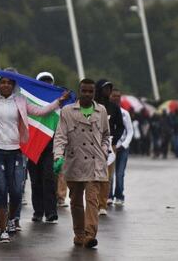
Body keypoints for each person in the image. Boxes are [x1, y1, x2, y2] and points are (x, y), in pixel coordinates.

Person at [0, 64, 69, 243]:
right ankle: (3, 230)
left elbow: (41, 111)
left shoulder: (21, 101)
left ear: (14, 85)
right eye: (3, 82)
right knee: (1, 190)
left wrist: (59, 101)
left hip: (16, 152)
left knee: (16, 191)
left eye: (9, 83)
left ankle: (11, 220)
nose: (6, 85)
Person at [54, 78, 110, 248]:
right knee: (76, 200)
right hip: (74, 161)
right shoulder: (67, 111)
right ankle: (79, 233)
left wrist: (105, 149)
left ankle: (89, 234)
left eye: (90, 91)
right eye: (84, 91)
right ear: (79, 92)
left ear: (94, 93)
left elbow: (106, 135)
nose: (87, 94)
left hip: (95, 163)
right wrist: (58, 156)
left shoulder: (101, 111)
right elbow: (60, 136)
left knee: (92, 199)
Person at [28, 72, 59, 223]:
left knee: (49, 179)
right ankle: (38, 211)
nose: (47, 84)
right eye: (43, 81)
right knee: (36, 180)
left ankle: (51, 212)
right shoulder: (30, 100)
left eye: (49, 81)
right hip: (33, 146)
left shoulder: (60, 103)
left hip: (50, 147)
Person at [94, 79, 124, 215]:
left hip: (109, 145)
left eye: (110, 88)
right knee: (93, 175)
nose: (108, 91)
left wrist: (114, 140)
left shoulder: (114, 107)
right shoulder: (91, 105)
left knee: (106, 176)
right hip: (92, 143)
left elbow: (120, 126)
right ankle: (92, 202)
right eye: (105, 88)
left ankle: (102, 205)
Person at [109, 88, 133, 205]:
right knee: (109, 174)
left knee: (119, 173)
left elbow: (130, 131)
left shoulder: (125, 113)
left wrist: (124, 145)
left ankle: (119, 196)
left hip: (122, 148)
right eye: (114, 96)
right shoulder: (106, 112)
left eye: (118, 96)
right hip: (110, 147)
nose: (116, 98)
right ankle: (108, 196)